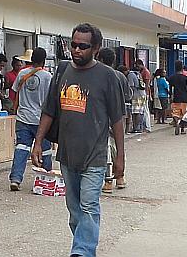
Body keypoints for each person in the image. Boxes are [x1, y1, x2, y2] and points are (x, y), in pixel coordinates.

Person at [31, 23, 125, 257]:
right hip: (67, 155)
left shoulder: (108, 76)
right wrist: (38, 142)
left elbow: (117, 119)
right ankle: (82, 246)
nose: (76, 50)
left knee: (89, 206)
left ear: (96, 48)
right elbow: (49, 110)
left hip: (95, 156)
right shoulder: (62, 71)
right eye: (73, 45)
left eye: (83, 46)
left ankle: (82, 252)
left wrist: (121, 156)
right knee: (74, 211)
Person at [8, 47, 52, 191]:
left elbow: (14, 92)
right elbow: (51, 100)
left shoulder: (22, 73)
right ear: (44, 61)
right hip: (41, 120)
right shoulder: (47, 77)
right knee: (45, 150)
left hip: (23, 118)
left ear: (31, 60)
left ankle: (15, 178)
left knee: (21, 148)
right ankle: (46, 178)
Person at [98, 47, 131, 192]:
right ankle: (120, 177)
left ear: (101, 60)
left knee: (105, 147)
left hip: (104, 115)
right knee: (117, 145)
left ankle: (108, 180)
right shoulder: (121, 76)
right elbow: (128, 95)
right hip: (119, 115)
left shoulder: (100, 75)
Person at [168, 60, 187, 135]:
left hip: (176, 98)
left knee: (175, 112)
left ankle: (177, 122)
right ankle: (182, 129)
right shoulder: (185, 78)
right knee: (183, 113)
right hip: (184, 98)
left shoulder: (171, 78)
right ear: (182, 68)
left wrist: (171, 97)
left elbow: (171, 89)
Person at [127, 66, 145, 133]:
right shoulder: (138, 74)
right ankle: (139, 127)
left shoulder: (130, 75)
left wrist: (129, 96)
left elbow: (131, 86)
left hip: (136, 95)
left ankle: (136, 128)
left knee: (136, 112)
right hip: (142, 94)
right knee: (140, 112)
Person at [135, 59, 152, 132]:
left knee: (145, 110)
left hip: (144, 93)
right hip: (143, 93)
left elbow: (147, 84)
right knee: (142, 110)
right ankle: (145, 126)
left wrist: (146, 94)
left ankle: (147, 126)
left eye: (138, 66)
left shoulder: (145, 72)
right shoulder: (141, 72)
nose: (137, 68)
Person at [117, 65, 132, 133]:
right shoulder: (122, 77)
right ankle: (126, 131)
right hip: (123, 101)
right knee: (125, 117)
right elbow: (128, 91)